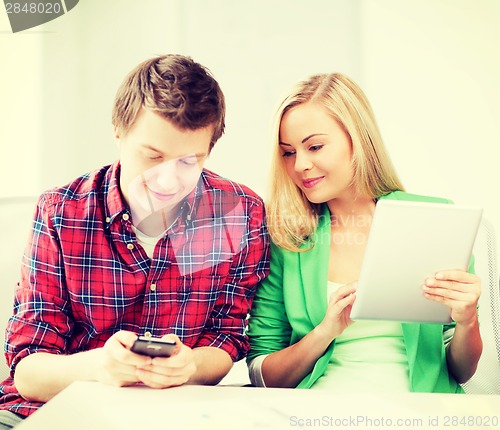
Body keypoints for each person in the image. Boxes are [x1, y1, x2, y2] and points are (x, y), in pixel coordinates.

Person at [0, 54, 270, 426]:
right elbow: (28, 372)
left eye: (189, 162)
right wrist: (98, 367)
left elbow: (227, 337)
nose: (168, 181)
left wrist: (189, 366)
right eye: (152, 156)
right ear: (118, 132)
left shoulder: (241, 213)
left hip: (177, 413)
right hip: (55, 409)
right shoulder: (61, 212)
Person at [246, 72, 482, 393]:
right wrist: (325, 332)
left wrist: (467, 319)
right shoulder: (286, 239)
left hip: (424, 413)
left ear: (358, 139)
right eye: (288, 152)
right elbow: (264, 376)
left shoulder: (430, 221)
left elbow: (462, 371)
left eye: (314, 146)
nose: (300, 164)